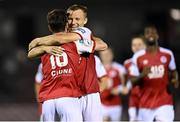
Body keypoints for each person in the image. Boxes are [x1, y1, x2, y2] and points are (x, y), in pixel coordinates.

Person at [29, 4, 108, 121]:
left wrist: (38, 40)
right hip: (71, 94)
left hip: (89, 92)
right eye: (70, 19)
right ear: (66, 21)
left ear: (85, 21)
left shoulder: (84, 32)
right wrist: (45, 47)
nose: (73, 22)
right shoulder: (71, 41)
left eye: (77, 19)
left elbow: (102, 45)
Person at [130, 25, 179, 122]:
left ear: (157, 36)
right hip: (145, 104)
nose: (151, 35)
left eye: (153, 32)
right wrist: (142, 75)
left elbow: (174, 72)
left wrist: (175, 80)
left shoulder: (168, 54)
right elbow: (132, 81)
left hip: (164, 102)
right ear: (144, 37)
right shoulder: (137, 57)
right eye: (148, 33)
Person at [99, 47, 128, 121]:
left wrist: (119, 89)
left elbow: (126, 87)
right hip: (101, 105)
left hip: (115, 105)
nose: (106, 57)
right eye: (103, 55)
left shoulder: (119, 68)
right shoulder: (97, 69)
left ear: (112, 55)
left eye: (108, 54)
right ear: (100, 56)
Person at [123, 35, 145, 121]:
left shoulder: (149, 62)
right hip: (133, 98)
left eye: (139, 44)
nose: (136, 47)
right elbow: (127, 78)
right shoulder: (127, 63)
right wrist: (125, 87)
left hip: (147, 98)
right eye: (134, 45)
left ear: (144, 46)